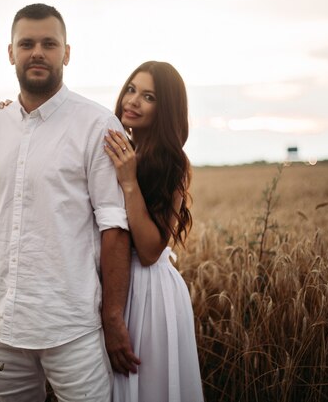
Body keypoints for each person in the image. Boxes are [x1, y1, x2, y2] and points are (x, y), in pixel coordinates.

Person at [0, 3, 138, 402]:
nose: (37, 52)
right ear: (10, 52)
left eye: (49, 43)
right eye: (27, 43)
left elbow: (114, 226)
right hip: (2, 328)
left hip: (72, 328)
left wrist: (113, 317)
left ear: (66, 53)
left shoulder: (98, 125)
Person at [104, 61, 204, 401]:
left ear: (167, 109)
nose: (133, 101)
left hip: (147, 292)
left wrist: (130, 182)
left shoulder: (172, 162)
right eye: (131, 89)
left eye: (148, 96)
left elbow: (149, 251)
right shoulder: (116, 147)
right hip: (112, 284)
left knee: (147, 388)